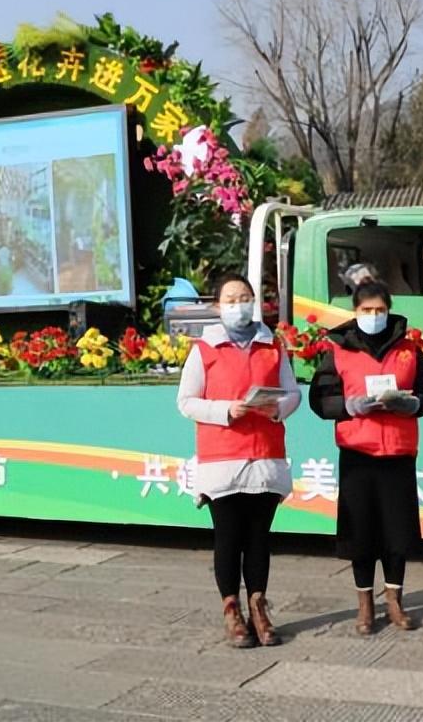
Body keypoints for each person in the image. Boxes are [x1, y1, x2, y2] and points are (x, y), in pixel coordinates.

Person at [308, 280, 423, 634]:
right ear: (355, 312)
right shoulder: (338, 350)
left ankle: (394, 599)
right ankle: (365, 604)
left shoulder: (410, 349)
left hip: (398, 451)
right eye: (366, 310)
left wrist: (411, 404)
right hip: (358, 453)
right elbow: (320, 399)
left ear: (389, 310)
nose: (373, 316)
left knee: (397, 533)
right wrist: (349, 406)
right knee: (361, 532)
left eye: (379, 310)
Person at [177, 273, 300, 647]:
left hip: (264, 454)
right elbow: (186, 402)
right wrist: (227, 409)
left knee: (259, 538)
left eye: (245, 297)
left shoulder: (271, 345)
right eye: (231, 299)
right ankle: (232, 609)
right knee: (229, 537)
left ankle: (259, 605)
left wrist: (277, 408)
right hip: (223, 457)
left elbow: (293, 392)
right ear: (218, 306)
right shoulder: (204, 349)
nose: (239, 304)